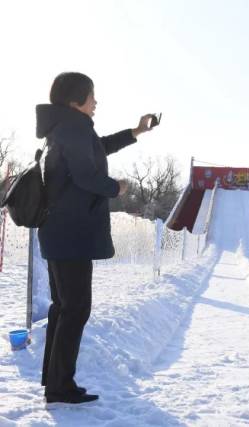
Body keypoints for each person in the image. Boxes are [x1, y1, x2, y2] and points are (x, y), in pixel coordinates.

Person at [36, 72, 155, 405]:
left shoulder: (66, 127)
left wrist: (135, 132)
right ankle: (60, 386)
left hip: (60, 232)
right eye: (91, 96)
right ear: (76, 101)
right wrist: (115, 187)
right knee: (75, 309)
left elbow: (97, 148)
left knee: (65, 307)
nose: (96, 102)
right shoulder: (73, 127)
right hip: (71, 233)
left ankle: (55, 381)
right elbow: (87, 175)